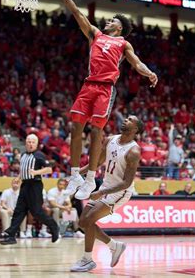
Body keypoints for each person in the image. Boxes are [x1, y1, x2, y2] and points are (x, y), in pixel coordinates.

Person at [57, 0, 158, 200]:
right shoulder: (95, 35)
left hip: (105, 88)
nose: (107, 22)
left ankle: (91, 178)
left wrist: (148, 72)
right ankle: (75, 176)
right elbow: (77, 13)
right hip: (88, 85)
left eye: (112, 20)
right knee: (75, 129)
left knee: (95, 131)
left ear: (119, 26)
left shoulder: (123, 43)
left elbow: (136, 63)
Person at [70, 115, 143, 272]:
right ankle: (114, 246)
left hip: (120, 192)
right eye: (126, 118)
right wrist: (76, 174)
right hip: (105, 187)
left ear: (135, 129)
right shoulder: (110, 140)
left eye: (130, 120)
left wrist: (101, 192)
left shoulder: (134, 151)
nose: (125, 120)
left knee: (88, 221)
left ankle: (87, 260)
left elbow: (127, 182)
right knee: (83, 222)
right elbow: (96, 162)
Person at [0, 134, 59, 245]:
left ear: (36, 144)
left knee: (36, 212)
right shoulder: (22, 155)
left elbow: (49, 170)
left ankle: (53, 226)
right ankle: (11, 235)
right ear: (26, 143)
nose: (30, 144)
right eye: (29, 141)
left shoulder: (39, 155)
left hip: (35, 186)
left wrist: (36, 172)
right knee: (19, 210)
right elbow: (23, 170)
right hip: (25, 185)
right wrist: (18, 178)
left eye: (33, 142)